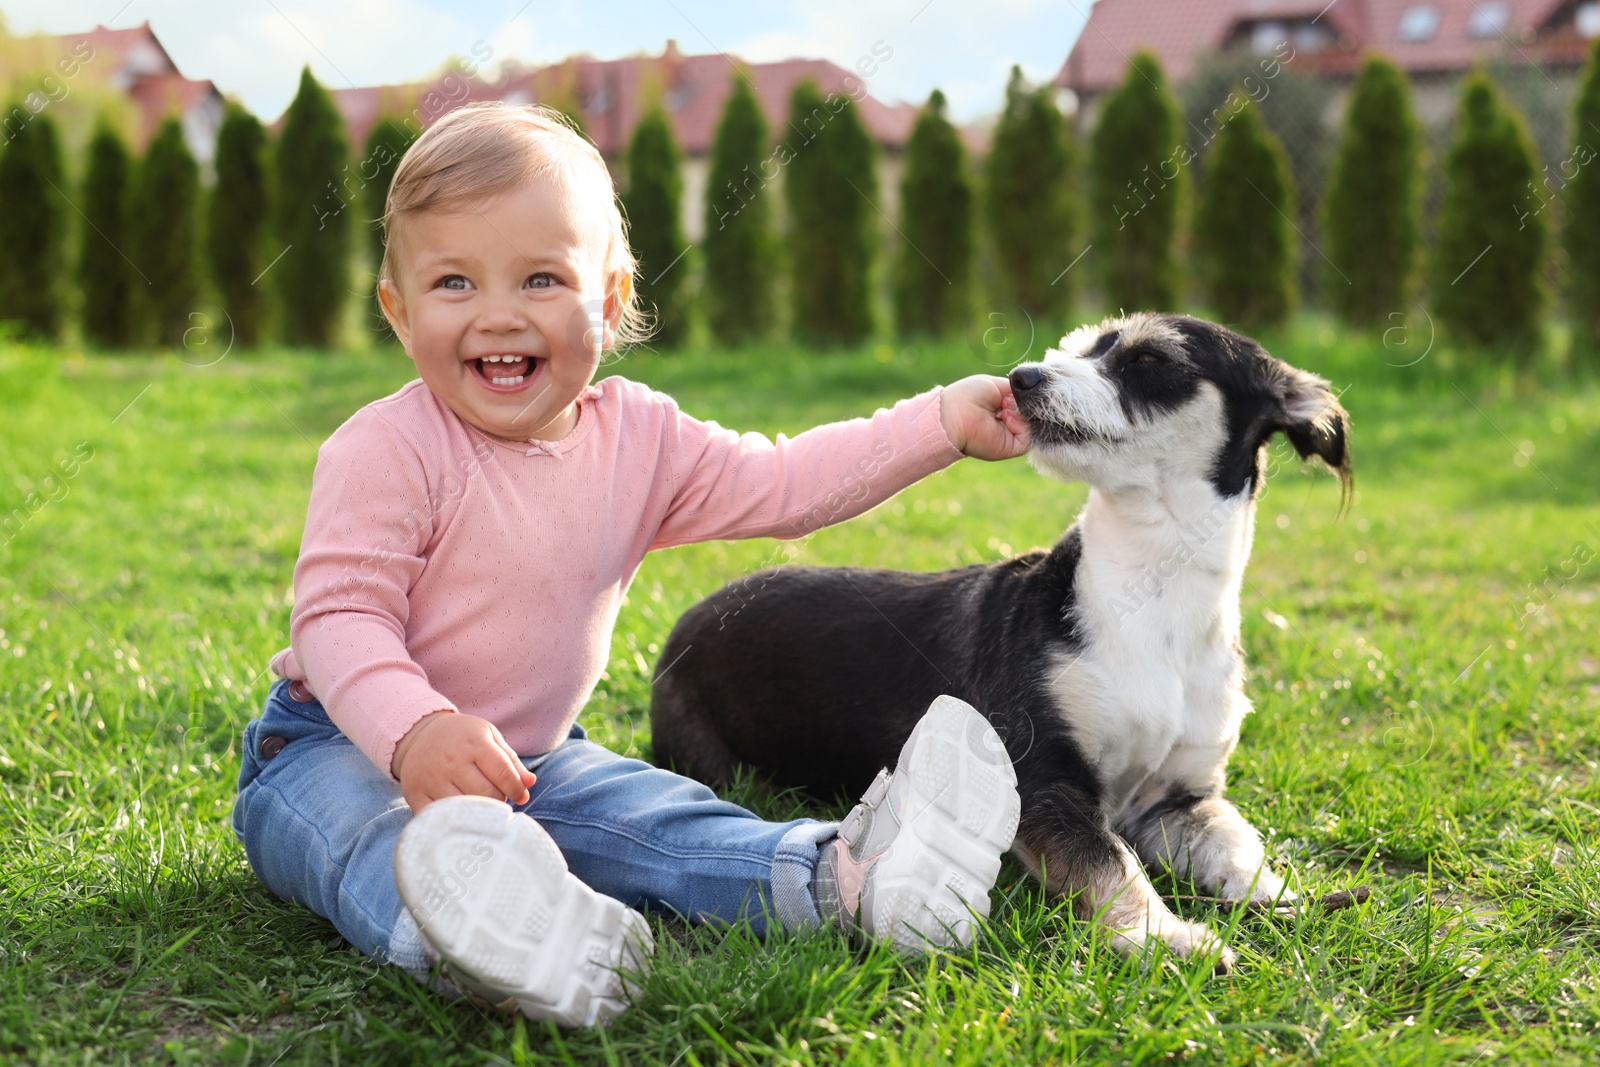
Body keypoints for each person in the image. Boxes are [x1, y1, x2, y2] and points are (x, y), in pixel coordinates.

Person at [232, 102, 1028, 1027]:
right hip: (333, 744)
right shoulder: (385, 449)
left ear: (607, 302)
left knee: (659, 817)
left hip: (532, 759)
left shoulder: (640, 439)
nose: (498, 314)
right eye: (454, 282)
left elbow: (785, 481)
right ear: (399, 312)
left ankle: (851, 877)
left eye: (539, 278)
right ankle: (491, 940)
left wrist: (937, 424)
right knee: (378, 835)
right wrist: (414, 733)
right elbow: (338, 620)